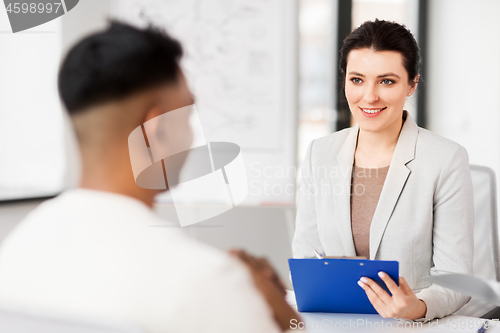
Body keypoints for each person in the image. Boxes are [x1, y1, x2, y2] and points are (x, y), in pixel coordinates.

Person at [0, 22, 300, 333]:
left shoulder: (17, 250)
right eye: (186, 115)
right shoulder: (207, 281)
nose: (192, 133)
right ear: (157, 130)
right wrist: (277, 307)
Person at [292, 19, 474, 322]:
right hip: (335, 321)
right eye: (357, 80)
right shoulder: (319, 154)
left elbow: (456, 278)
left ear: (412, 84)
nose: (369, 96)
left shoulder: (445, 159)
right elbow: (306, 259)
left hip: (410, 324)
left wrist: (418, 306)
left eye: (386, 81)